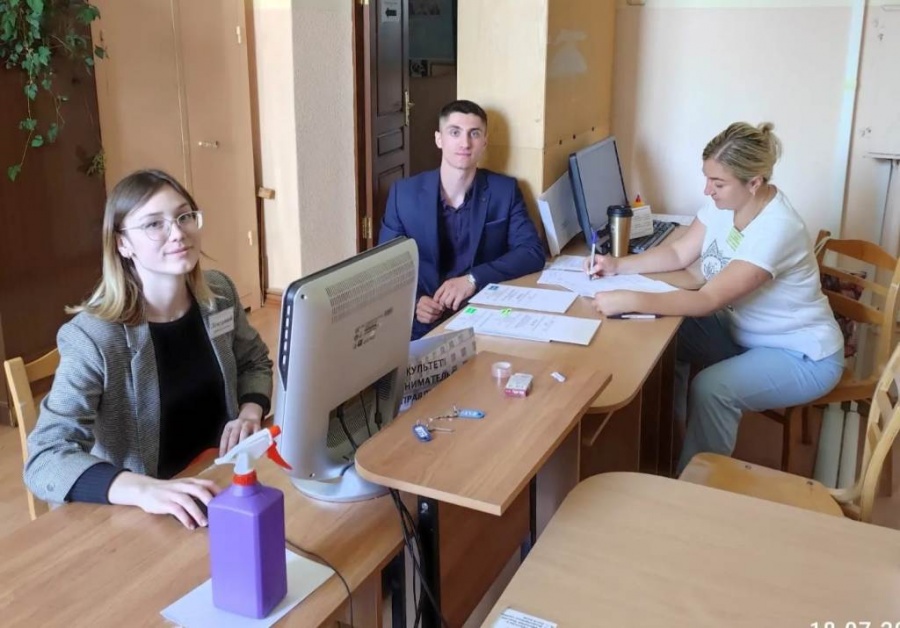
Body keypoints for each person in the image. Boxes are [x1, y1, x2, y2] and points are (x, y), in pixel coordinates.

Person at [584, 122, 844, 473]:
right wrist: (617, 265)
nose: (707, 190)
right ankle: (668, 441)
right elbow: (678, 254)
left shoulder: (778, 229)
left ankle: (697, 485)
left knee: (711, 389)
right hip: (744, 333)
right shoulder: (725, 206)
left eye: (718, 183)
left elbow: (707, 300)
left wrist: (632, 299)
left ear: (754, 183)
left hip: (800, 354)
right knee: (666, 336)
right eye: (707, 179)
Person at [24, 169, 273, 529]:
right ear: (122, 244)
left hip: (225, 480)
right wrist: (144, 489)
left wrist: (251, 411)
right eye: (154, 224)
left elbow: (254, 361)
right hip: (149, 514)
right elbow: (46, 457)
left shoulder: (218, 294)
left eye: (184, 216)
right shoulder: (93, 338)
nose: (178, 232)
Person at [378, 99, 545, 340]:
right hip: (424, 323)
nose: (465, 143)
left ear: (484, 142)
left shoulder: (504, 190)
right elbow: (385, 267)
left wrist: (472, 279)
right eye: (455, 132)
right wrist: (414, 302)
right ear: (439, 139)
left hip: (484, 315)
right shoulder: (403, 194)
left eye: (474, 133)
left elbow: (531, 252)